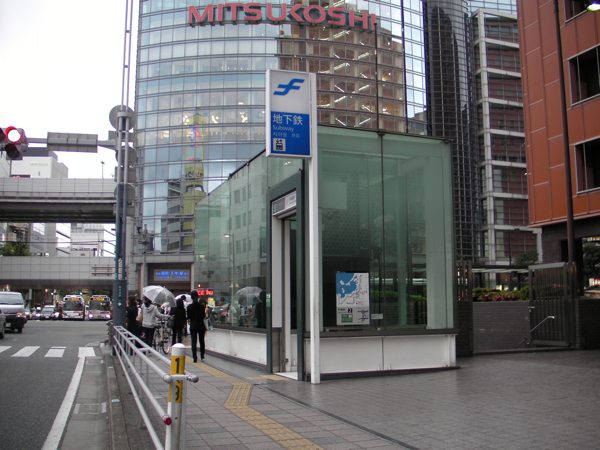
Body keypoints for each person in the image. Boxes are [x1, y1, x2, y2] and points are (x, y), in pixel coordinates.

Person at [187, 290, 206, 362]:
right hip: (201, 325)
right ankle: (202, 355)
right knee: (202, 341)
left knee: (193, 342)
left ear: (191, 297)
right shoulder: (201, 306)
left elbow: (188, 317)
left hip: (193, 326)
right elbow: (203, 316)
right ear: (198, 297)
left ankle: (194, 357)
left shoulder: (189, 307)